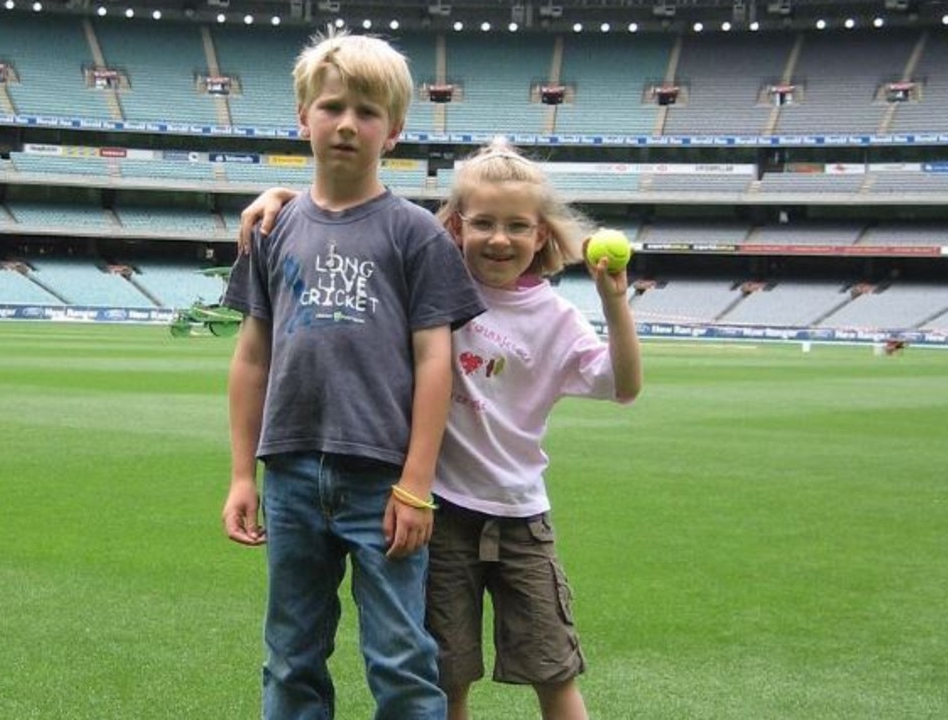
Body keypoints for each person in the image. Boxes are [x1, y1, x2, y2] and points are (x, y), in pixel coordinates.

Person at [238, 138, 643, 720]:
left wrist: (614, 306)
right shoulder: (425, 277)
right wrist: (284, 197)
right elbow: (358, 223)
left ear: (543, 236)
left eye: (517, 226)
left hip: (521, 514)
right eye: (482, 223)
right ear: (454, 226)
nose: (499, 239)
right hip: (439, 509)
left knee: (553, 669)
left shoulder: (556, 318)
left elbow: (623, 385)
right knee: (444, 674)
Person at [220, 27, 487, 720]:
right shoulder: (270, 230)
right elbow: (251, 356)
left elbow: (436, 363)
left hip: (382, 479)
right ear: (302, 117)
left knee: (400, 658)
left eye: (367, 113)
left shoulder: (415, 234)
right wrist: (242, 474)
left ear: (392, 131)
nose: (347, 124)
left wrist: (417, 485)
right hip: (291, 475)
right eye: (332, 107)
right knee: (290, 654)